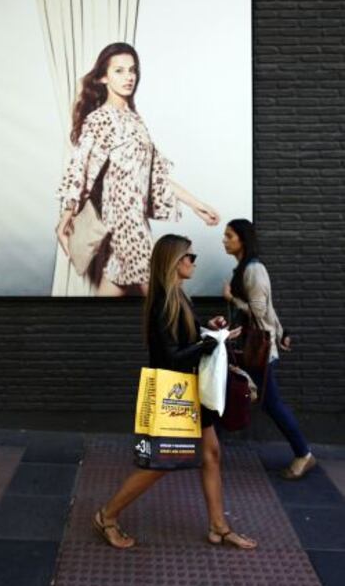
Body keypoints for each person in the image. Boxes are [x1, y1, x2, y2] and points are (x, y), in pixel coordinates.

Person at [93, 234, 257, 549]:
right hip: (176, 394)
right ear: (174, 261)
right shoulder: (164, 302)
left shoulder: (179, 296)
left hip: (190, 391)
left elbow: (185, 341)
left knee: (211, 454)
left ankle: (219, 527)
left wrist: (209, 329)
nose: (193, 262)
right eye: (189, 257)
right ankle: (107, 515)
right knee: (160, 463)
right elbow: (170, 357)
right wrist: (209, 342)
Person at [56, 43, 220, 296]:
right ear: (103, 77)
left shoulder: (135, 121)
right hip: (123, 225)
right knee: (165, 301)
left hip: (136, 222)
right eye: (119, 71)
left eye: (132, 70)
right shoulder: (101, 118)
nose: (129, 77)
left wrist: (197, 205)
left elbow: (155, 176)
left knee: (118, 296)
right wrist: (65, 218)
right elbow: (80, 167)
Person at [222, 218, 316, 480]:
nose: (224, 240)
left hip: (258, 349)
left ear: (243, 239)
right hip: (253, 347)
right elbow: (269, 310)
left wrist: (231, 299)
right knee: (256, 399)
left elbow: (260, 312)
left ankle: (304, 454)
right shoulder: (245, 268)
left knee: (272, 404)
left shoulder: (253, 270)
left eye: (229, 236)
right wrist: (282, 331)